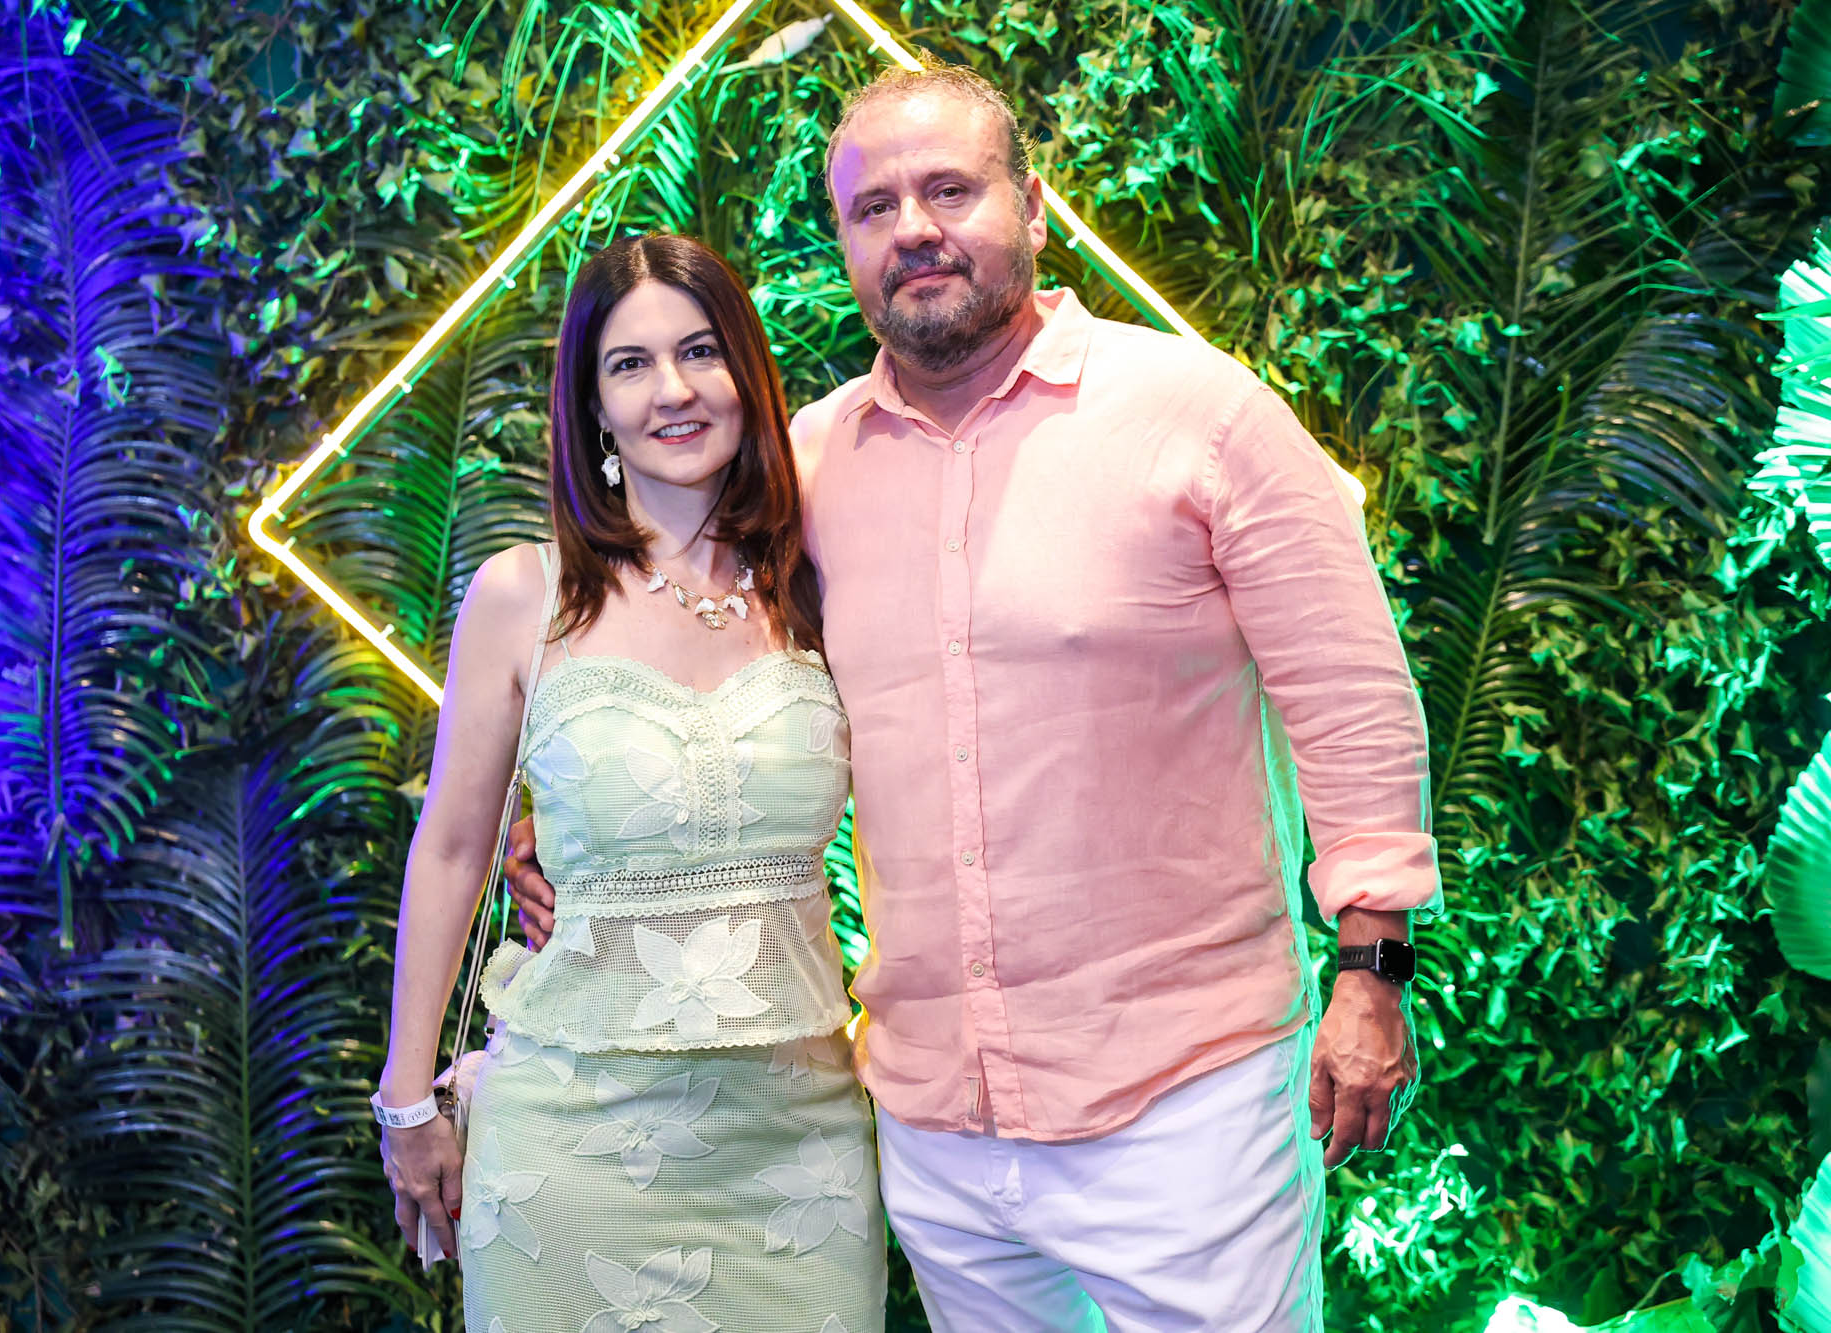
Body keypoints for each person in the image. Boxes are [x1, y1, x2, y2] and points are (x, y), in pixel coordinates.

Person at [509, 58, 1443, 1333]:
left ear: (1034, 207)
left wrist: (1372, 966)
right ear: (844, 243)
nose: (913, 229)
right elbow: (688, 644)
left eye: (949, 189)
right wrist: (581, 820)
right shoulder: (808, 467)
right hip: (935, 1124)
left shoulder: (1197, 413)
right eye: (872, 207)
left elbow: (1347, 691)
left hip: (1184, 1102)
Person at [376, 233, 886, 1333]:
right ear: (593, 407)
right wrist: (406, 1098)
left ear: (746, 372)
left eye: (700, 351)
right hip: (573, 1137)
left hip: (800, 1147)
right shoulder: (524, 595)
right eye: (630, 364)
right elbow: (454, 848)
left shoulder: (821, 582)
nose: (673, 390)